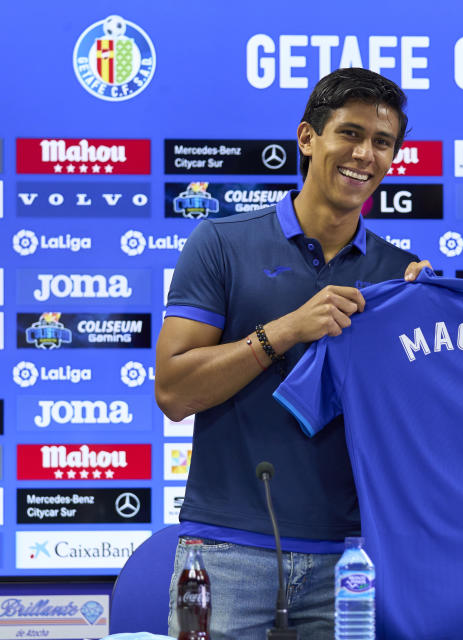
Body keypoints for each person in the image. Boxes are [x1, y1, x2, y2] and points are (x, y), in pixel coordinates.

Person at [155, 67, 428, 639]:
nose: (365, 154)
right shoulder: (220, 244)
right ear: (306, 138)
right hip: (226, 550)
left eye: (383, 143)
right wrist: (285, 331)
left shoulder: (401, 275)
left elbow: (416, 426)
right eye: (349, 133)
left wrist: (427, 327)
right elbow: (174, 392)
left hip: (354, 559)